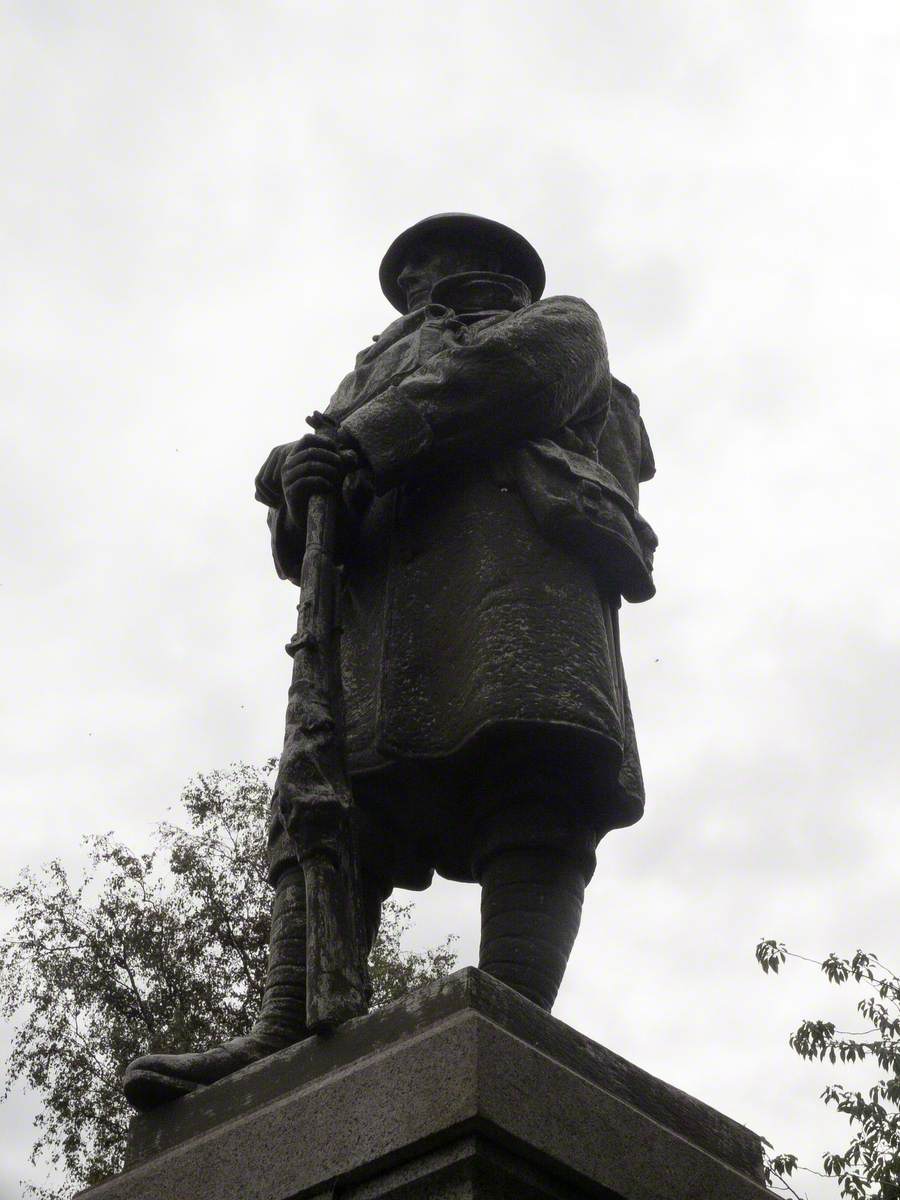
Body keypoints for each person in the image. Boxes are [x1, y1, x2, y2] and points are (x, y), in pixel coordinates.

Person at [123, 213, 657, 1110]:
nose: (411, 292)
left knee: (532, 787)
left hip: (510, 595)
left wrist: (360, 438)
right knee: (330, 812)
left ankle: (513, 1017)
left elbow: (505, 381)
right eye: (405, 281)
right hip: (376, 632)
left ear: (484, 276)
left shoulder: (564, 330)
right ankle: (286, 1023)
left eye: (428, 274)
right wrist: (300, 493)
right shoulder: (363, 383)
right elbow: (310, 538)